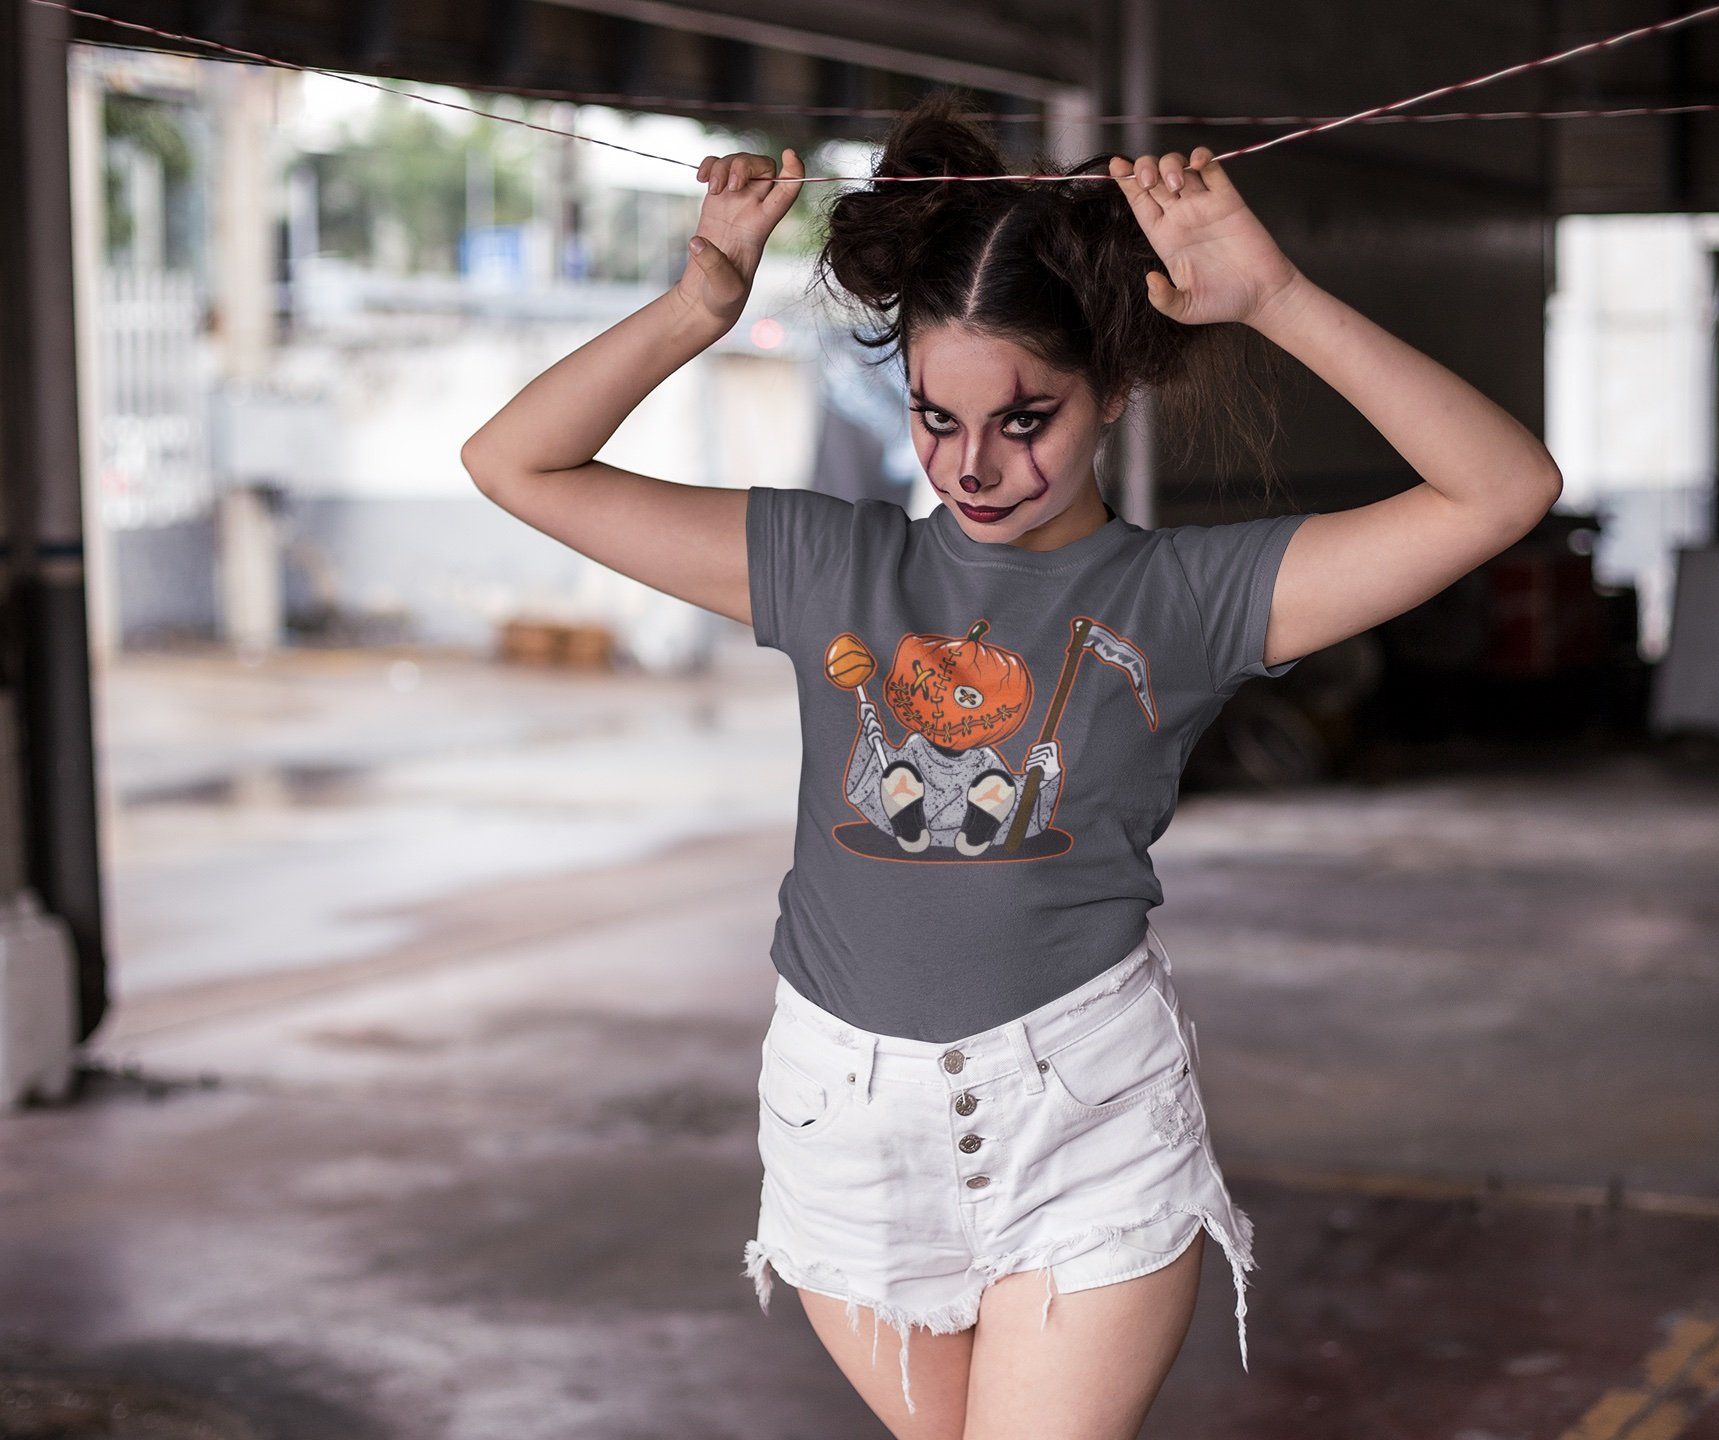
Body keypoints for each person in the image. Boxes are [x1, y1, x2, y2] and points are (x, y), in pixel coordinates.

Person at [463, 90, 1561, 1440]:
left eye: (1026, 419)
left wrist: (1275, 298)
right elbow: (514, 463)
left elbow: (1504, 489)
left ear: (1113, 390)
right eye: (936, 417)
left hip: (1080, 1117)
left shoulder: (1186, 597)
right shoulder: (826, 564)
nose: (972, 465)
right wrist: (697, 305)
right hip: (845, 1125)